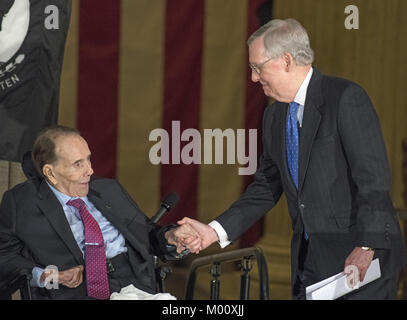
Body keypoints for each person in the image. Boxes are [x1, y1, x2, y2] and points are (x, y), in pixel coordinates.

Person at [178, 18, 407, 299]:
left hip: (359, 260)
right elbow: (265, 187)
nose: (252, 77)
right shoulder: (274, 116)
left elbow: (373, 180)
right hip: (310, 262)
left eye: (257, 67)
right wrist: (213, 232)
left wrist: (367, 245)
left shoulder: (345, 98)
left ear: (286, 60)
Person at [0, 125, 200, 300]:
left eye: (88, 159)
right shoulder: (21, 203)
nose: (90, 170)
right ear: (50, 172)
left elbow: (147, 234)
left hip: (135, 285)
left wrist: (170, 237)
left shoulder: (108, 190)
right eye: (78, 164)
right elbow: (4, 256)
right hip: (77, 292)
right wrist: (48, 276)